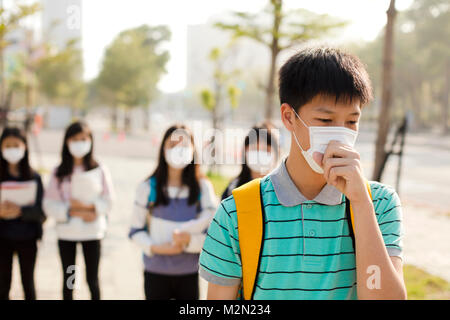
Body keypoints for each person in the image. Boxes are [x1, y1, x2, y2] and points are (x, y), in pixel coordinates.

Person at [199, 47, 407, 300]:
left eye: (352, 121)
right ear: (289, 117)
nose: (340, 134)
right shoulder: (236, 212)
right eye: (325, 121)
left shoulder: (380, 203)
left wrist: (361, 203)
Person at [129, 124, 217, 300]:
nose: (178, 151)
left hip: (189, 274)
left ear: (193, 150)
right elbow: (135, 231)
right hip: (155, 272)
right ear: (163, 149)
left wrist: (189, 241)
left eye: (184, 146)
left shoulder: (203, 188)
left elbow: (213, 236)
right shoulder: (147, 188)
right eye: (172, 145)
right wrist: (156, 248)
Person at [43, 121, 114, 300]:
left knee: (93, 279)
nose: (79, 143)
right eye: (75, 139)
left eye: (83, 139)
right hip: (67, 234)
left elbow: (109, 200)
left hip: (92, 232)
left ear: (90, 141)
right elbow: (49, 203)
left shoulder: (99, 169)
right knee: (70, 280)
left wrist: (88, 208)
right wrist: (70, 210)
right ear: (67, 142)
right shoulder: (59, 172)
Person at [0, 127, 46, 300]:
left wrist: (20, 210)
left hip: (27, 237)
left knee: (28, 283)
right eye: (7, 145)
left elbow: (42, 211)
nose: (12, 149)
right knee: (3, 284)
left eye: (16, 145)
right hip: (3, 237)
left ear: (25, 146)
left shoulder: (34, 177)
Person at [221, 122, 279, 200]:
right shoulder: (234, 188)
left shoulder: (281, 189)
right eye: (255, 148)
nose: (259, 154)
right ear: (245, 151)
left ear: (276, 153)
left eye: (266, 150)